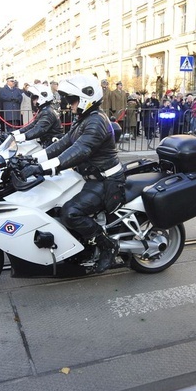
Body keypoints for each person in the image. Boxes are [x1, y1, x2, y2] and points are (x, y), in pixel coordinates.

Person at [23, 75, 125, 273]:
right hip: (88, 176)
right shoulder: (84, 119)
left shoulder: (96, 122)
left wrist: (44, 168)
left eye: (73, 100)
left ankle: (108, 246)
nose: (69, 105)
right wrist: (33, 160)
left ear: (87, 97)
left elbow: (79, 151)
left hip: (106, 181)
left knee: (71, 213)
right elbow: (62, 145)